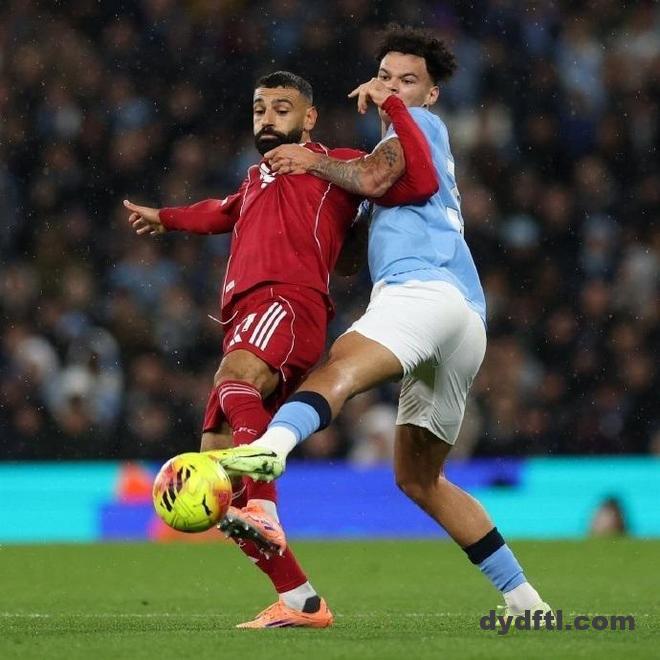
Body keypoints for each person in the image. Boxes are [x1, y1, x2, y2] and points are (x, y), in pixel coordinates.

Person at [211, 27, 551, 620]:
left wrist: (314, 161)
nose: (391, 88)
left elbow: (375, 177)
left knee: (338, 369)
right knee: (420, 478)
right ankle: (527, 602)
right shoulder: (391, 157)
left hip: (422, 292)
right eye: (385, 76)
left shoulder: (418, 127)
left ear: (430, 94)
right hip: (464, 319)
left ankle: (269, 448)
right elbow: (351, 244)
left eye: (407, 80)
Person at [124, 69, 438, 628]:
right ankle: (300, 599)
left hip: (287, 301)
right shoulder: (257, 177)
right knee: (218, 472)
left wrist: (394, 111)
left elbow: (410, 179)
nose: (267, 119)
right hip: (246, 315)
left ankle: (264, 505)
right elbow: (222, 210)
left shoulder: (333, 165)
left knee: (235, 378)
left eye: (281, 109)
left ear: (309, 117)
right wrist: (166, 219)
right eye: (259, 110)